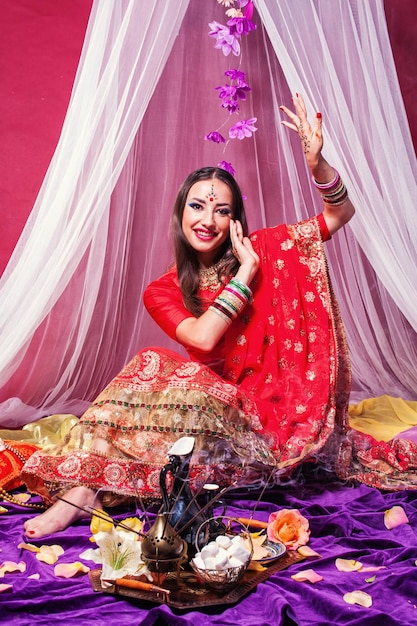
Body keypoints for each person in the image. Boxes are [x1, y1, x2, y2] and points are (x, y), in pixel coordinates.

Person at [22, 94, 355, 538]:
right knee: (152, 368)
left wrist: (318, 168)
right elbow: (201, 339)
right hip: (199, 420)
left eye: (222, 210)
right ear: (180, 214)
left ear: (235, 220)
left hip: (258, 425)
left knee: (163, 373)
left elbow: (340, 213)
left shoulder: (262, 252)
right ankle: (83, 492)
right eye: (197, 206)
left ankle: (84, 494)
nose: (208, 220)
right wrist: (244, 279)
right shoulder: (162, 289)